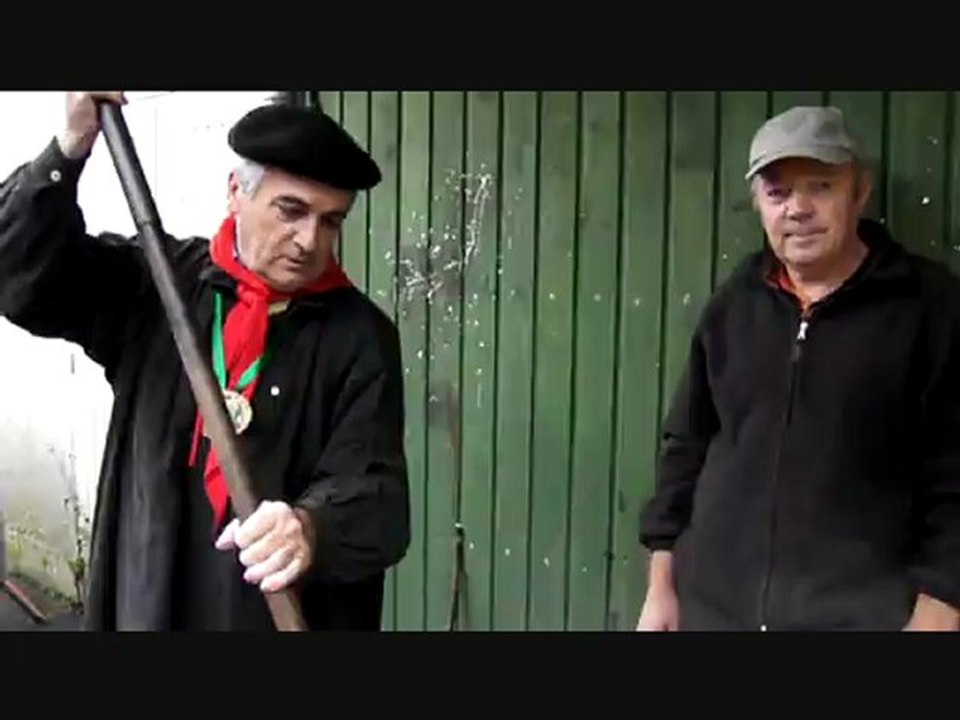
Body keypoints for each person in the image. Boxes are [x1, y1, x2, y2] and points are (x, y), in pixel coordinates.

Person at [0, 91, 411, 631]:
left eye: (331, 221)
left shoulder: (359, 336)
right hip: (149, 598)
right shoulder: (157, 284)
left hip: (274, 616)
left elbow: (376, 494)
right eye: (291, 210)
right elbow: (20, 273)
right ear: (236, 193)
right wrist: (69, 150)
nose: (310, 240)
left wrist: (311, 528)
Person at [636, 105, 960, 631]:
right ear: (759, 205)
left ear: (860, 191)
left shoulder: (931, 307)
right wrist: (661, 589)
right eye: (778, 192)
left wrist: (941, 609)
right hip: (713, 613)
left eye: (820, 186)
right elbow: (687, 445)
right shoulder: (734, 304)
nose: (797, 209)